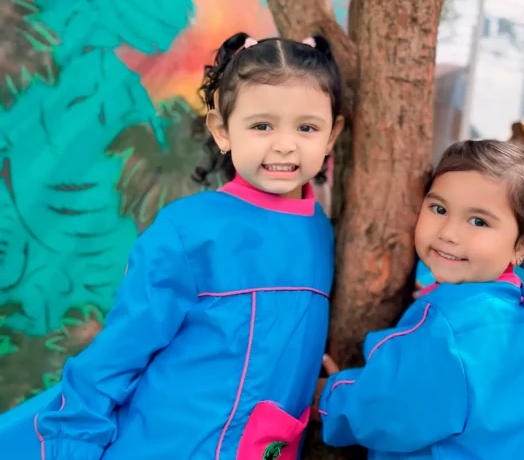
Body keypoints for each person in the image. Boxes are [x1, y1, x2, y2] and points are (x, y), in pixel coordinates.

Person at [0, 33, 344, 460]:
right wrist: (73, 445)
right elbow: (118, 353)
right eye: (261, 125)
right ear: (222, 130)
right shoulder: (189, 230)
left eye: (307, 127)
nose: (285, 144)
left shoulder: (321, 232)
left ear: (332, 136)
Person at [317, 139, 524, 459]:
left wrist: (331, 396)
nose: (449, 232)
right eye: (439, 209)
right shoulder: (506, 302)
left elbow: (392, 410)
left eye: (479, 221)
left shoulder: (450, 327)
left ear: (522, 246)